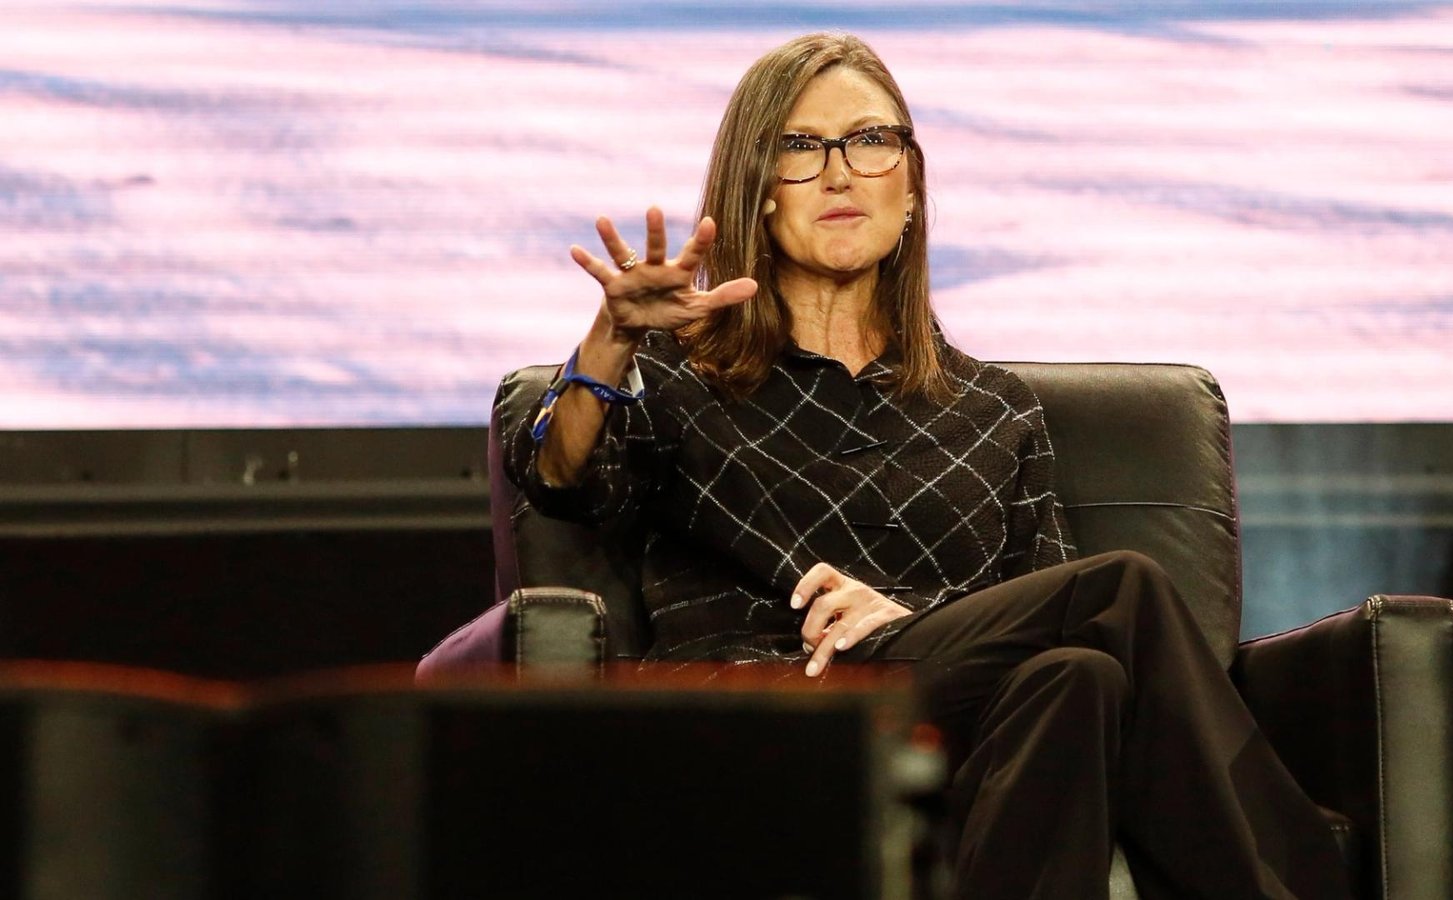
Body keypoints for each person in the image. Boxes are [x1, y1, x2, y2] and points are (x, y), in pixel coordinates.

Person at [509, 31, 1350, 900]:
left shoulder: (993, 410)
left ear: (910, 188)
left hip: (949, 731)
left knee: (1082, 676)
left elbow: (1041, 623)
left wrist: (916, 623)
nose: (840, 174)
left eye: (871, 141)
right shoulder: (678, 375)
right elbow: (557, 477)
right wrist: (611, 340)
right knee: (1120, 593)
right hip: (760, 718)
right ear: (757, 193)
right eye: (801, 147)